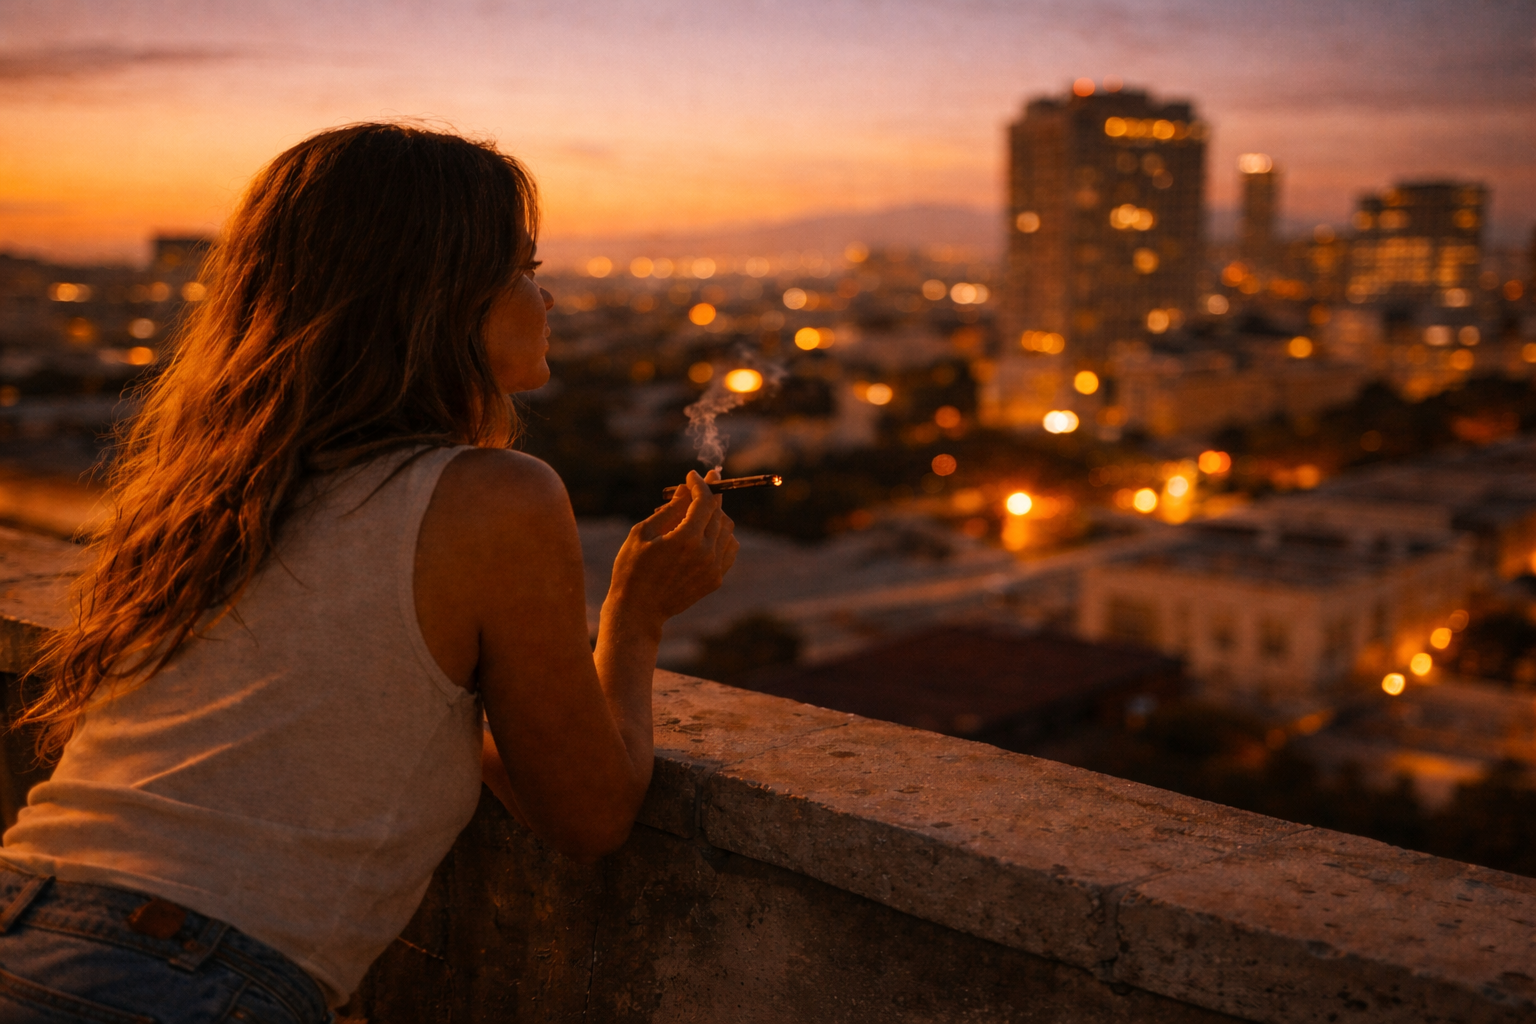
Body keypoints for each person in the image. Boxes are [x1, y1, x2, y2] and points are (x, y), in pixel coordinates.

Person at [0, 123, 738, 1022]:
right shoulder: (493, 495)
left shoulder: (215, 492)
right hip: (179, 977)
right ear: (434, 295)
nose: (547, 298)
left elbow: (396, 713)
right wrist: (637, 613)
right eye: (520, 269)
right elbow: (589, 815)